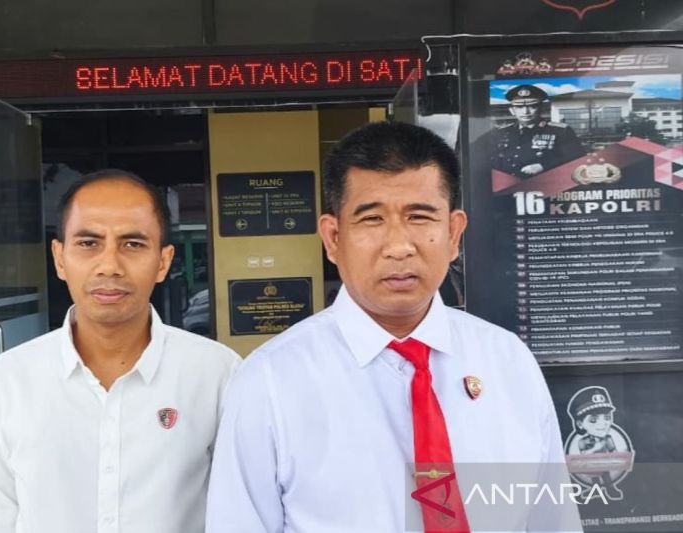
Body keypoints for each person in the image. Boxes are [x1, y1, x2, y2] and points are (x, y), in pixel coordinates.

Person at [205, 122, 581, 532]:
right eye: (371, 219)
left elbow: (553, 521)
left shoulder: (507, 362)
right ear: (333, 238)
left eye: (419, 217)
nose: (399, 246)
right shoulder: (271, 381)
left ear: (453, 233)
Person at [0, 170, 241, 533]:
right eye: (88, 243)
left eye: (133, 244)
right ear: (59, 258)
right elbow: (2, 516)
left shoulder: (217, 373)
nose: (110, 266)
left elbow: (236, 510)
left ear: (163, 262)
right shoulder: (7, 381)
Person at [489, 84, 585, 178]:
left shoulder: (560, 131)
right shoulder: (502, 132)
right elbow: (492, 160)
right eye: (519, 107)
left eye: (532, 106)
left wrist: (544, 166)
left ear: (541, 108)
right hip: (507, 183)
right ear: (512, 110)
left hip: (545, 183)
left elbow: (576, 159)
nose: (525, 112)